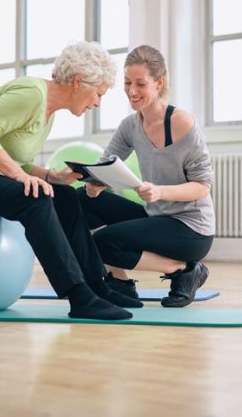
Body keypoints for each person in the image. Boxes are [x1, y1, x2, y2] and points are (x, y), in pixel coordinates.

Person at [0, 41, 144, 321]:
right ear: (78, 82)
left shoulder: (47, 112)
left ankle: (98, 286)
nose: (98, 102)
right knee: (35, 198)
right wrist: (20, 176)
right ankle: (79, 296)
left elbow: (14, 157)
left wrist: (53, 177)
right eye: (98, 94)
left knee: (64, 194)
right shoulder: (31, 94)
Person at [78, 45, 215, 307]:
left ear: (158, 83)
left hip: (191, 228)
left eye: (140, 84)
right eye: (128, 83)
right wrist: (95, 182)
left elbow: (202, 186)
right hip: (157, 216)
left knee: (104, 242)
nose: (132, 91)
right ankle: (119, 282)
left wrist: (160, 191)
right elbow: (104, 164)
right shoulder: (131, 125)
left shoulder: (182, 124)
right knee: (81, 199)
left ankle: (184, 270)